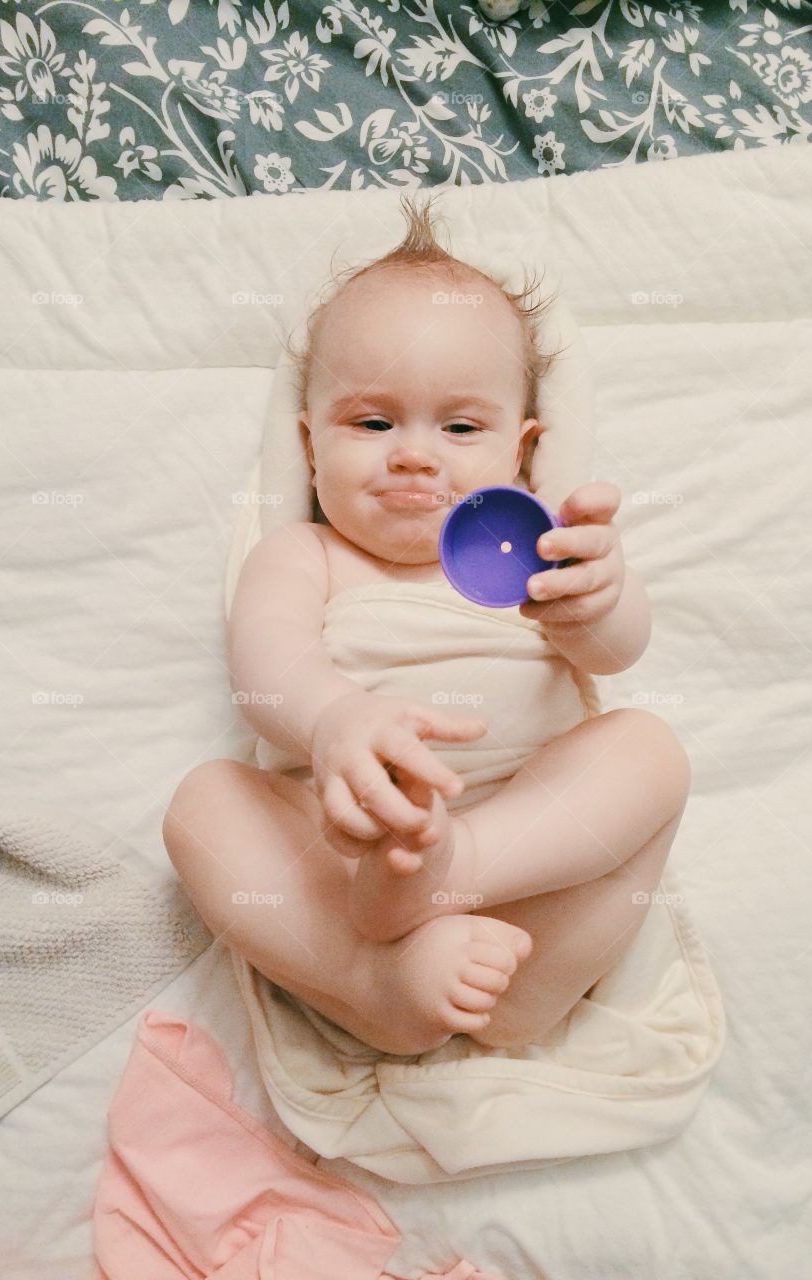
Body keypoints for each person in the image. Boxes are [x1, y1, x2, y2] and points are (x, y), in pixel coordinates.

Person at [163, 194, 691, 1058]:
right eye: (372, 423)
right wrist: (332, 716)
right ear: (307, 444)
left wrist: (599, 602)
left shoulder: (536, 553)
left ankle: (488, 921)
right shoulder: (307, 552)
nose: (414, 452)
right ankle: (375, 989)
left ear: (520, 451)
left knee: (650, 754)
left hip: (530, 855)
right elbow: (264, 666)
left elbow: (616, 654)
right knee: (203, 807)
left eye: (459, 425)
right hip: (352, 860)